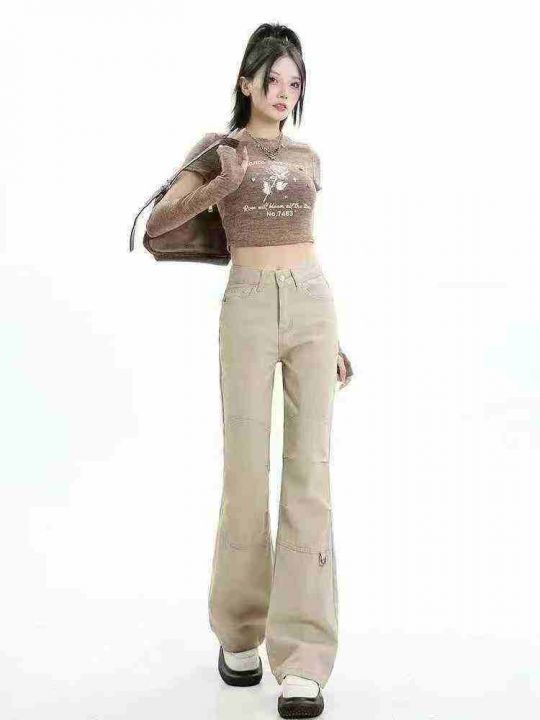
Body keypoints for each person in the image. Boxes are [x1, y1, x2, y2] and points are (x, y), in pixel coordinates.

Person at [146, 22, 353, 719]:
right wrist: (225, 180)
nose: (284, 93)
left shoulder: (308, 156)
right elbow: (158, 223)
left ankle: (304, 660)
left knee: (310, 476)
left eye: (295, 83)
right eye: (273, 79)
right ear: (246, 81)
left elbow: (308, 244)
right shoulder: (218, 150)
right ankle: (239, 632)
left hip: (313, 305)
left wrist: (336, 342)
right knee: (246, 475)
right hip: (248, 307)